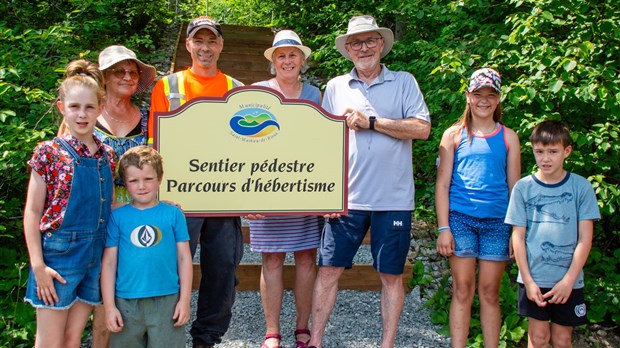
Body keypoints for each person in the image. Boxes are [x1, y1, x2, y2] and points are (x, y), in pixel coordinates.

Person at [307, 15, 431, 348]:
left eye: (370, 41)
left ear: (381, 44)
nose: (364, 48)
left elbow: (422, 129)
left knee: (390, 276)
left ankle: (386, 344)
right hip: (347, 199)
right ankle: (315, 342)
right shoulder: (335, 87)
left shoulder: (404, 81)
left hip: (393, 199)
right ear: (347, 50)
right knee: (329, 271)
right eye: (356, 43)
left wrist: (372, 122)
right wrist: (326, 194)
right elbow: (323, 144)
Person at [148, 16, 244, 348]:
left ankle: (206, 339)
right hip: (178, 200)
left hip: (222, 198)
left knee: (222, 271)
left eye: (212, 41)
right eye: (198, 41)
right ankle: (166, 334)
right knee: (171, 269)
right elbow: (154, 145)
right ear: (187, 44)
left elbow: (248, 149)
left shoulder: (235, 88)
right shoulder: (167, 86)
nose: (205, 47)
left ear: (220, 45)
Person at [23, 59, 115, 347]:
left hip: (94, 256)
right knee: (50, 342)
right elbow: (33, 211)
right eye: (74, 107)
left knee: (72, 339)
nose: (82, 114)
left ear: (101, 109)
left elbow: (109, 205)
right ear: (62, 108)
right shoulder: (49, 152)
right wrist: (38, 265)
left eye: (89, 107)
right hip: (58, 257)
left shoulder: (107, 154)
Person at [435, 67, 521, 347]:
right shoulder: (453, 135)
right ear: (468, 96)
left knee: (490, 292)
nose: (484, 100)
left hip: (498, 223)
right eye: (478, 94)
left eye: (491, 94)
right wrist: (443, 227)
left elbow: (515, 189)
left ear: (498, 99)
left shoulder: (509, 137)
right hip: (460, 220)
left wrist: (516, 233)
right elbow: (442, 185)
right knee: (462, 289)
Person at [248, 30, 321, 348]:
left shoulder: (316, 95)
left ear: (302, 60)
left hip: (306, 186)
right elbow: (241, 145)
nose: (287, 60)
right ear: (273, 61)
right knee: (273, 260)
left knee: (306, 258)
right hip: (266, 188)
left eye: (293, 54)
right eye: (281, 55)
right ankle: (272, 330)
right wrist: (244, 195)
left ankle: (302, 327)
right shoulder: (255, 93)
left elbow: (325, 142)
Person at [505, 120, 600, 348]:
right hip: (534, 279)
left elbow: (585, 239)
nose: (545, 159)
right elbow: (518, 236)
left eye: (553, 152)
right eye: (539, 152)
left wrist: (568, 281)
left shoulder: (581, 188)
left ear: (567, 151)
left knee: (562, 339)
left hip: (569, 281)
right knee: (537, 338)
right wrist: (527, 280)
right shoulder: (523, 188)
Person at [90, 44, 157, 348]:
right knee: (101, 298)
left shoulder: (147, 119)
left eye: (133, 71)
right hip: (96, 215)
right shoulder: (87, 114)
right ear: (104, 77)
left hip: (138, 215)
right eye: (120, 70)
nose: (128, 76)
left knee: (137, 292)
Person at [100, 146, 193, 348]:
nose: (141, 186)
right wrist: (109, 307)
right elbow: (108, 263)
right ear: (125, 183)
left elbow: (185, 258)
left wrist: (184, 300)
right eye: (133, 181)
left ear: (159, 179)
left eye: (148, 179)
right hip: (126, 301)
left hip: (167, 300)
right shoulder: (117, 217)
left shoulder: (173, 214)